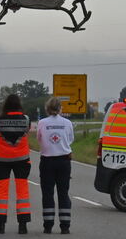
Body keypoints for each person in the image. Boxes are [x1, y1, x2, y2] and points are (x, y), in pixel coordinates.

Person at [0, 93, 32, 234]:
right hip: (21, 159)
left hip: (2, 158)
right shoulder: (26, 119)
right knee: (22, 191)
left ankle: (0, 225)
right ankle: (23, 225)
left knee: (2, 191)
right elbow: (27, 132)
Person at [36, 97, 74, 234]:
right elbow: (70, 139)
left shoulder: (42, 123)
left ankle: (48, 225)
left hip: (47, 161)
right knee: (63, 193)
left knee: (47, 194)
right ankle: (65, 226)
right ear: (60, 108)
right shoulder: (67, 123)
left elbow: (39, 139)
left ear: (47, 109)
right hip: (64, 161)